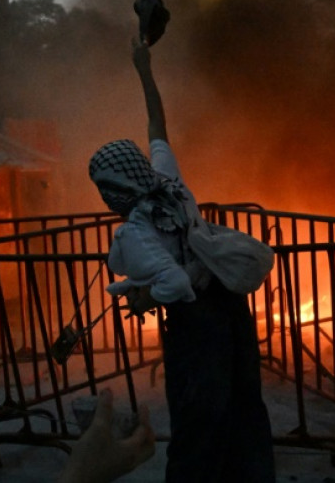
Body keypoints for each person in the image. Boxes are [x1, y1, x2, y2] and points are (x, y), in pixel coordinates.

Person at [88, 37, 276, 482]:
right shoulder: (168, 178)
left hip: (196, 326)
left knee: (197, 423)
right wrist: (143, 67)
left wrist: (145, 297)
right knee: (246, 410)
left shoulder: (135, 228)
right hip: (231, 307)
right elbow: (157, 123)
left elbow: (175, 285)